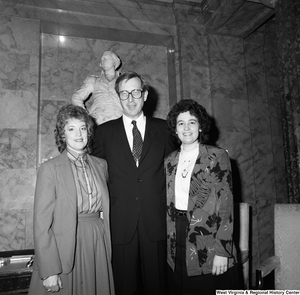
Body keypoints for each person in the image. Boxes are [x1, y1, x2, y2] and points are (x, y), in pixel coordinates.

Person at [92, 71, 175, 295]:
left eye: (136, 92)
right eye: (124, 93)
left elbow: (174, 173)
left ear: (145, 95)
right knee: (124, 287)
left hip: (156, 221)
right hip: (120, 223)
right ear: (118, 96)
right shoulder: (103, 133)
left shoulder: (165, 130)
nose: (130, 98)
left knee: (158, 286)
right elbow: (96, 175)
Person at [28, 104, 114, 295]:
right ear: (62, 134)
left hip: (96, 240)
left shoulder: (101, 165)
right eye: (71, 128)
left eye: (83, 128)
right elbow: (42, 224)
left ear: (89, 132)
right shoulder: (50, 168)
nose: (78, 134)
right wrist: (49, 270)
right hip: (64, 246)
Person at [165, 99, 238, 295]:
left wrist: (223, 251)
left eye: (192, 122)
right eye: (181, 123)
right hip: (176, 237)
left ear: (200, 127)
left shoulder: (216, 156)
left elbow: (226, 206)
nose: (186, 128)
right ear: (175, 128)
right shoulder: (169, 161)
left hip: (207, 236)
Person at [71, 51, 123, 125]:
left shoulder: (124, 81)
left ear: (115, 62)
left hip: (119, 121)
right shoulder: (93, 80)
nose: (104, 60)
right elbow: (76, 98)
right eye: (102, 59)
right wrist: (87, 117)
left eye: (107, 58)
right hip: (99, 122)